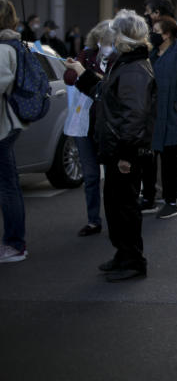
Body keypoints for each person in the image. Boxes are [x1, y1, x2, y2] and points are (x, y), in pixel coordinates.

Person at [69, 10, 156, 281]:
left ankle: (133, 260)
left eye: (116, 33)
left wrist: (127, 155)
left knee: (125, 207)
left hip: (125, 151)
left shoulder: (134, 68)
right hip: (117, 148)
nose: (112, 38)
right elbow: (105, 95)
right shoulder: (126, 63)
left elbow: (134, 115)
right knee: (115, 205)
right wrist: (82, 73)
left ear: (125, 37)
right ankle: (123, 254)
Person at [62, 20, 114, 237]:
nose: (107, 45)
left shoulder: (119, 58)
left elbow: (113, 83)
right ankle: (93, 220)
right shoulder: (87, 55)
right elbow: (70, 78)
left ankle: (116, 218)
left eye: (111, 41)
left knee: (112, 175)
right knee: (91, 175)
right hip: (85, 120)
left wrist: (93, 76)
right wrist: (76, 68)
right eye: (103, 40)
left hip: (108, 121)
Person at [144, 16, 177, 220]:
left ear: (167, 34)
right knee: (148, 159)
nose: (152, 34)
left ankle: (170, 201)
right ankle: (148, 198)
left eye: (156, 31)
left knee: (169, 162)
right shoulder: (153, 54)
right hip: (152, 116)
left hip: (170, 117)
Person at [0, 0, 28, 263]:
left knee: (8, 187)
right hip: (7, 126)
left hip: (3, 128)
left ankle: (15, 244)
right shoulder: (12, 46)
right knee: (9, 186)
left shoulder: (4, 49)